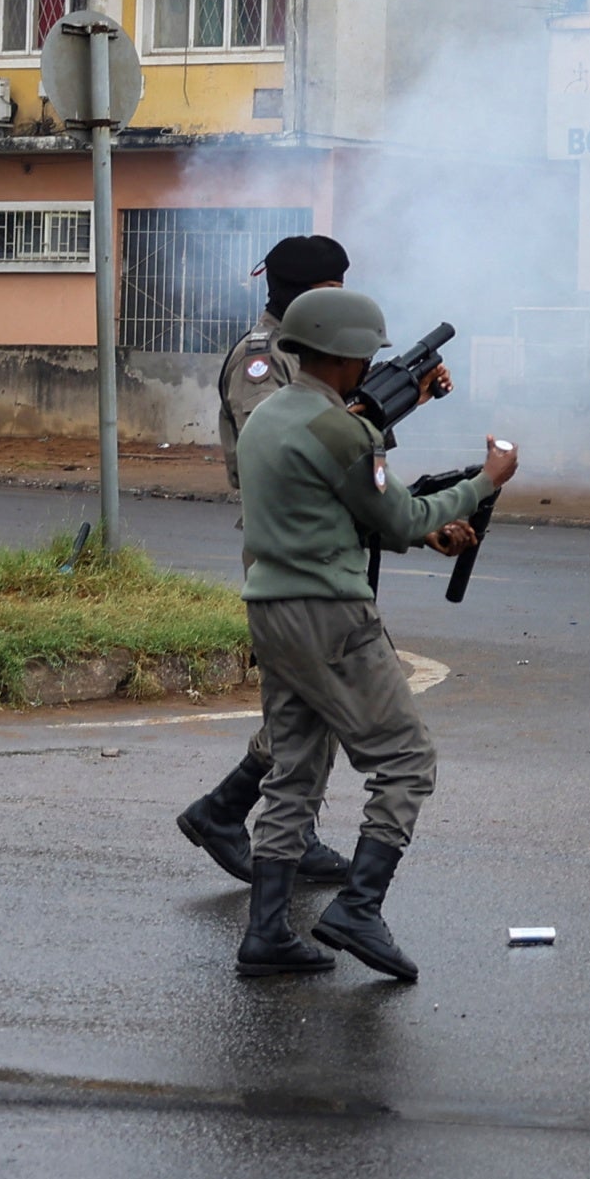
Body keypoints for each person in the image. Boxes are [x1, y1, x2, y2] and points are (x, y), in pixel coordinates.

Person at [229, 286, 510, 985]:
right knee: (407, 759)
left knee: (295, 768)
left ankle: (266, 933)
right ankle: (359, 906)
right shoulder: (344, 433)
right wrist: (483, 482)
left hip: (272, 608)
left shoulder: (266, 418)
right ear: (351, 356)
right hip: (332, 613)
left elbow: (337, 496)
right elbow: (401, 516)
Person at [177, 230, 364, 886]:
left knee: (313, 701)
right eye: (333, 293)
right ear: (307, 294)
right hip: (286, 545)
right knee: (313, 697)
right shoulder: (264, 358)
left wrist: (406, 395)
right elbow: (284, 449)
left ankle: (278, 823)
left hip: (320, 541)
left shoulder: (315, 355)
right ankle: (228, 810)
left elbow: (340, 435)